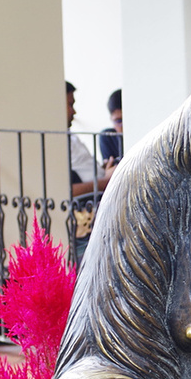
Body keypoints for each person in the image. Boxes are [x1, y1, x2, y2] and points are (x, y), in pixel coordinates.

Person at [66, 81, 116, 260]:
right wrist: (105, 181)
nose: (74, 112)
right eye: (70, 105)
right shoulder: (56, 142)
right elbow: (66, 190)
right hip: (87, 208)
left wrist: (104, 171)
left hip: (101, 193)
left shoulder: (70, 136)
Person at [98, 88, 123, 164]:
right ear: (111, 119)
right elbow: (109, 169)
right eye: (119, 121)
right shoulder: (108, 136)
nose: (124, 127)